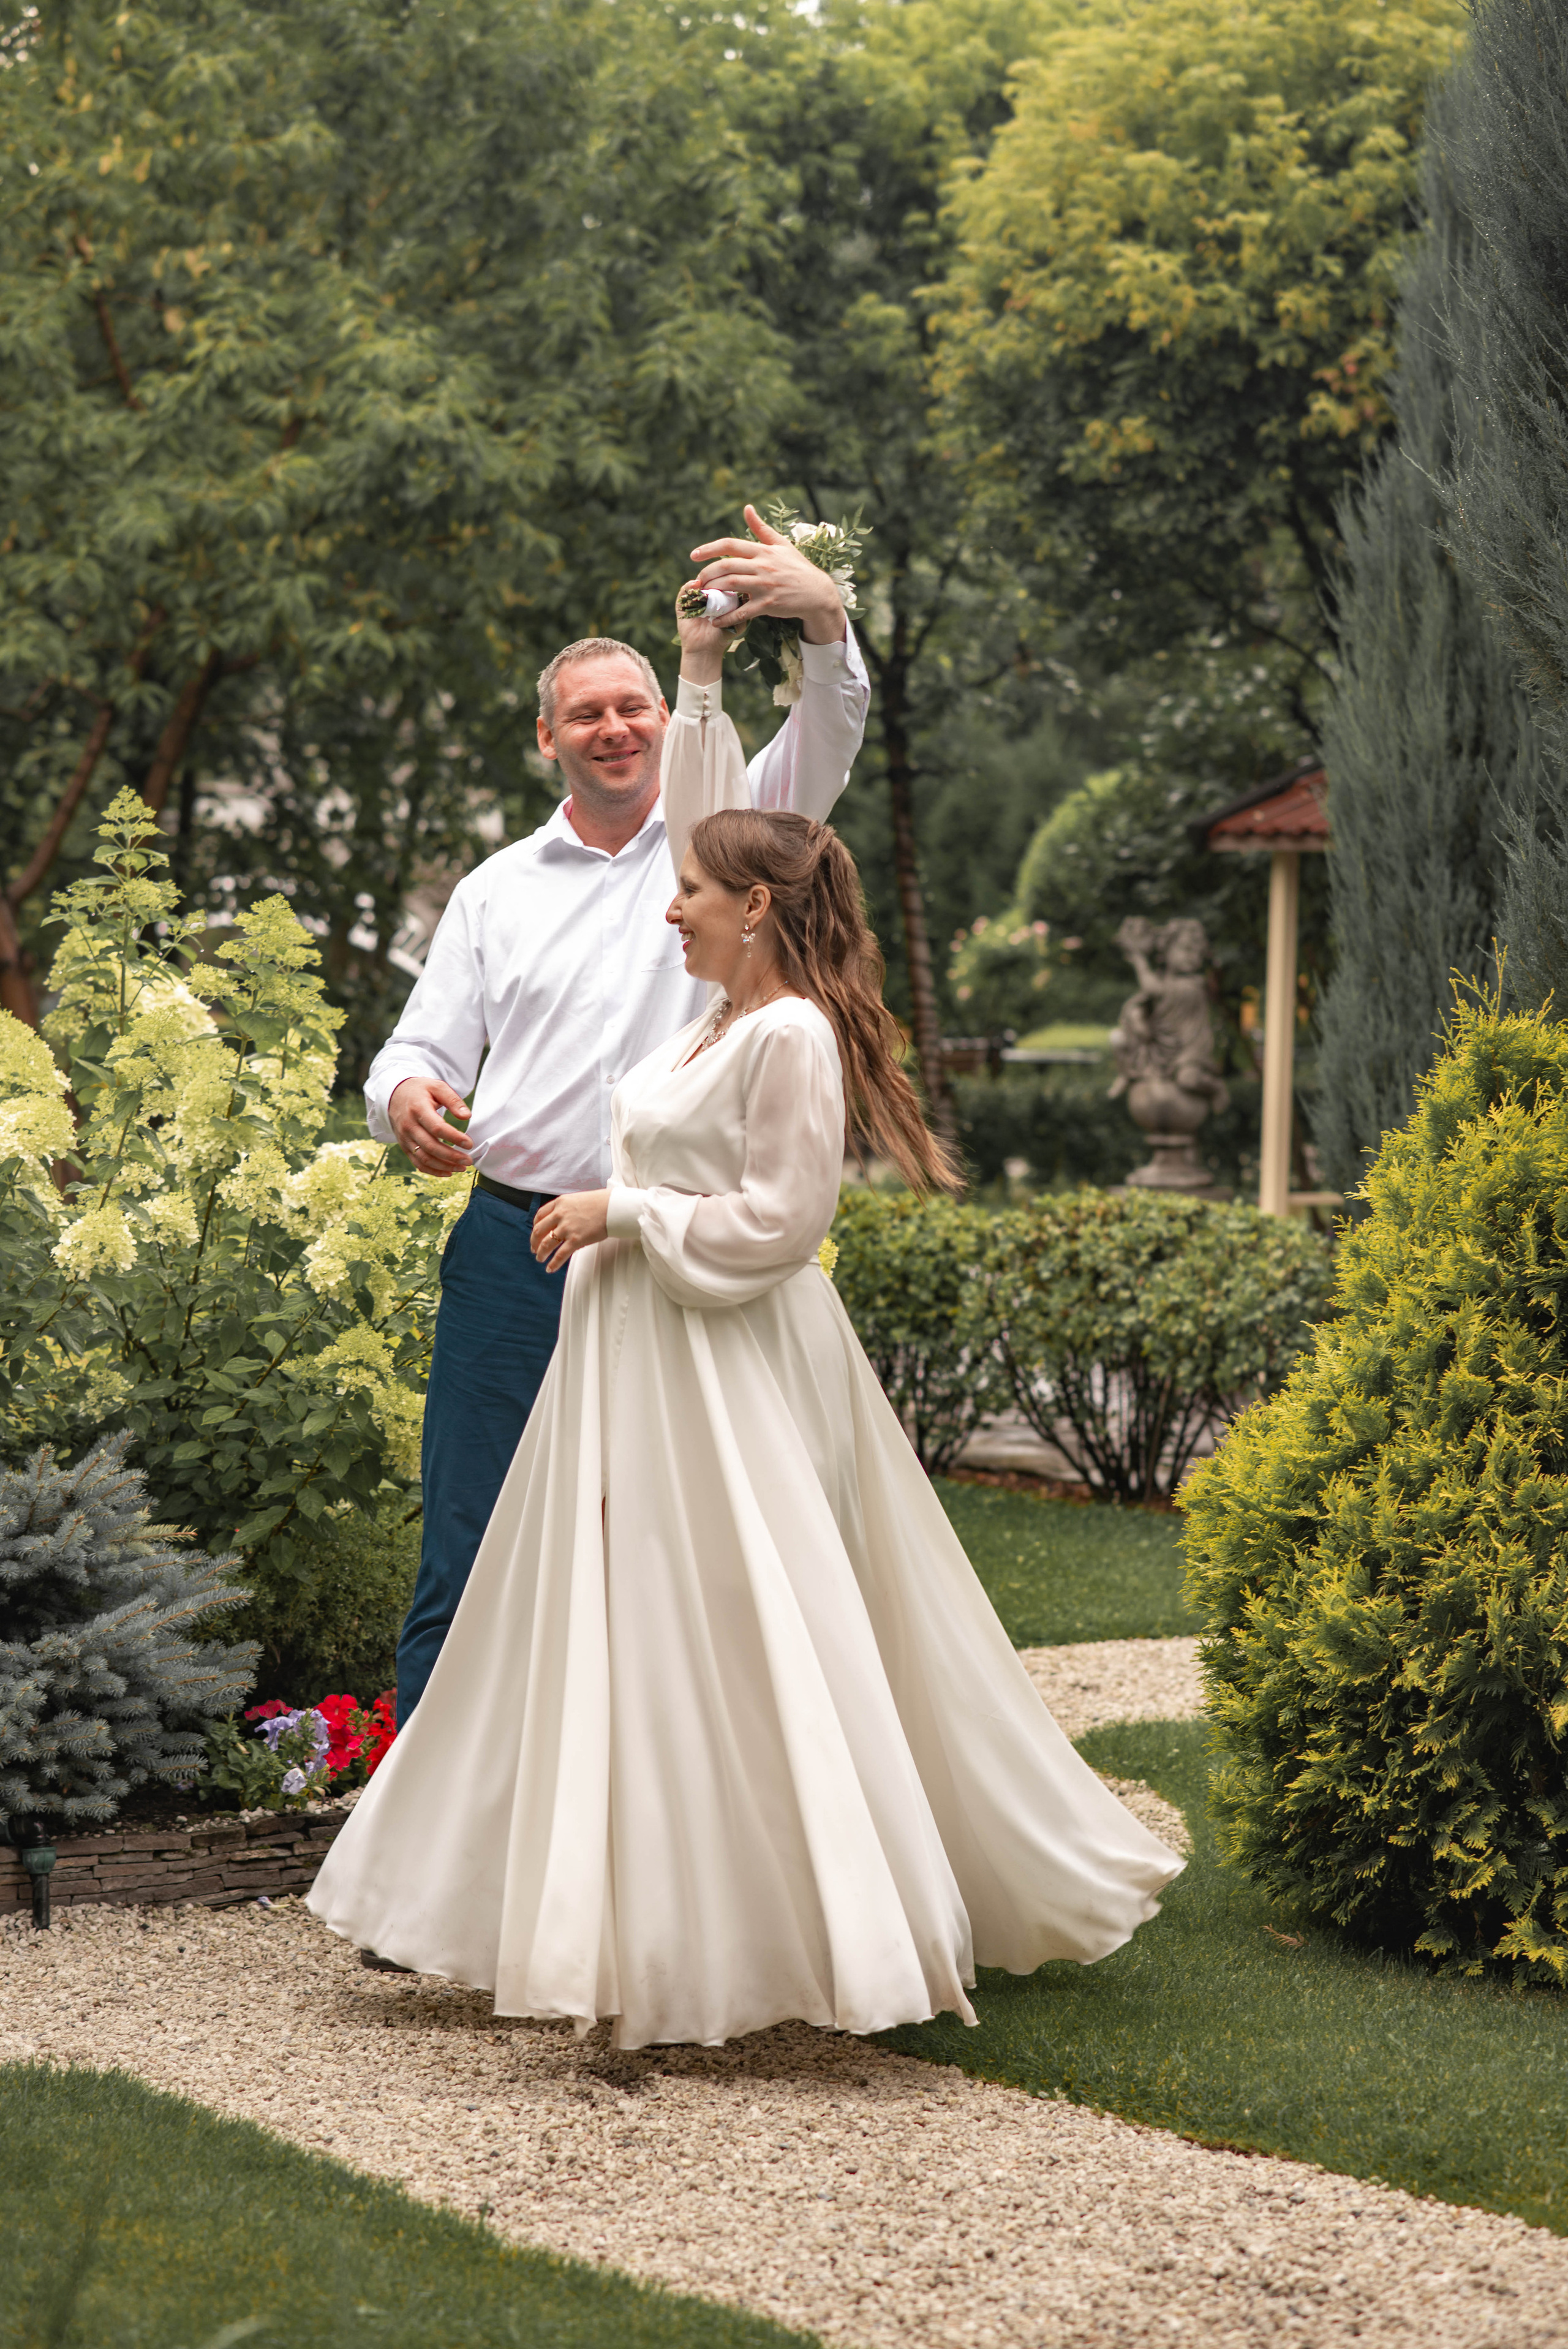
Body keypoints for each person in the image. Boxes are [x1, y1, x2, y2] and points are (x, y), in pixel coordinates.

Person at [310, 810, 1183, 2051]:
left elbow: (782, 1218)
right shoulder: (711, 1024)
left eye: (694, 891)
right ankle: (619, 1918)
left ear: (756, 906)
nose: (671, 910)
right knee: (626, 1622)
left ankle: (783, 1927)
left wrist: (622, 1212)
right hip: (637, 1358)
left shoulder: (789, 1034)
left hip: (718, 1366)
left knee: (746, 1621)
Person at [367, 507, 869, 1722]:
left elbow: (832, 720)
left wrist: (822, 613)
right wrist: (409, 1099)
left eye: (630, 705)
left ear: (664, 718)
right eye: (584, 711)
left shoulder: (728, 840)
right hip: (509, 1252)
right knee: (471, 1547)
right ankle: (430, 1874)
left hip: (665, 1251)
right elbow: (418, 1046)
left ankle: (631, 1858)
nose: (612, 727)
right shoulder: (491, 893)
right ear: (548, 737)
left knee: (668, 1555)